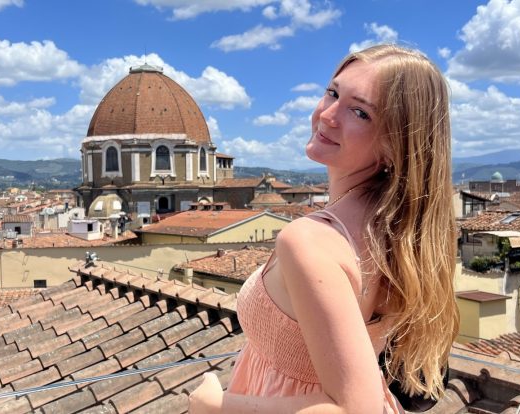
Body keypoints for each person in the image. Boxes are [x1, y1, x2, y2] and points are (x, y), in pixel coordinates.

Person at [189, 44, 459, 413]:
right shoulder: (400, 230)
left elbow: (353, 410)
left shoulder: (309, 241)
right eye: (332, 93)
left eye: (360, 112)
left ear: (396, 143)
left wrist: (214, 405)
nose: (327, 115)